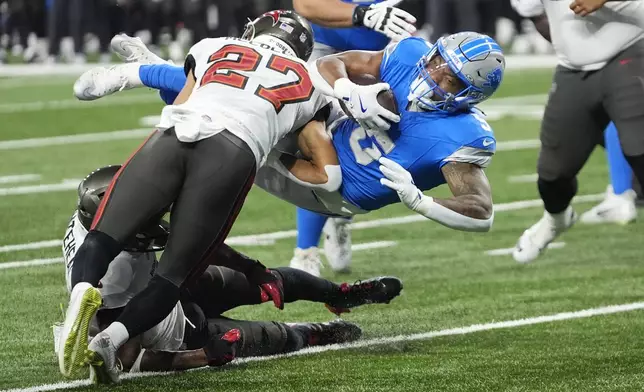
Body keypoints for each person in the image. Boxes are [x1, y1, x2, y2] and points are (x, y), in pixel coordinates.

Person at [74, 31, 504, 278]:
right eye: (436, 64)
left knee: (245, 113)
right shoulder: (408, 57)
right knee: (273, 87)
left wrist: (419, 200)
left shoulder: (462, 136)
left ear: (470, 95)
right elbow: (333, 64)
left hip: (328, 187)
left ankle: (155, 70)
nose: (432, 77)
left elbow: (481, 211)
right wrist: (348, 90)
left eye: (448, 80)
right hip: (323, 133)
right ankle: (146, 72)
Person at [59, 10, 335, 383]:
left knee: (102, 237)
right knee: (172, 275)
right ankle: (111, 340)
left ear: (256, 31)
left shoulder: (215, 45)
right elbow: (326, 173)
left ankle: (81, 293)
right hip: (232, 151)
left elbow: (179, 104)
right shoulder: (311, 81)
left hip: (173, 134)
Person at [59, 165, 401, 379]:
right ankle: (317, 331)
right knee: (272, 337)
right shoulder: (108, 286)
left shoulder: (94, 222)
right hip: (174, 329)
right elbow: (127, 358)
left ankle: (341, 295)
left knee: (267, 281)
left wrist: (252, 268)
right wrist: (198, 357)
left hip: (172, 282)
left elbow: (189, 237)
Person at [509, 0, 644, 263]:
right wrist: (574, 47)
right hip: (573, 69)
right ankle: (555, 220)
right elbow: (536, 15)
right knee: (552, 174)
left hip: (634, 47)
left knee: (639, 149)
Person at [290, 0, 417, 275]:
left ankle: (339, 216)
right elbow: (305, 4)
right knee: (314, 142)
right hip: (319, 45)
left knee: (367, 142)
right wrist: (362, 14)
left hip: (376, 50)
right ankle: (305, 251)